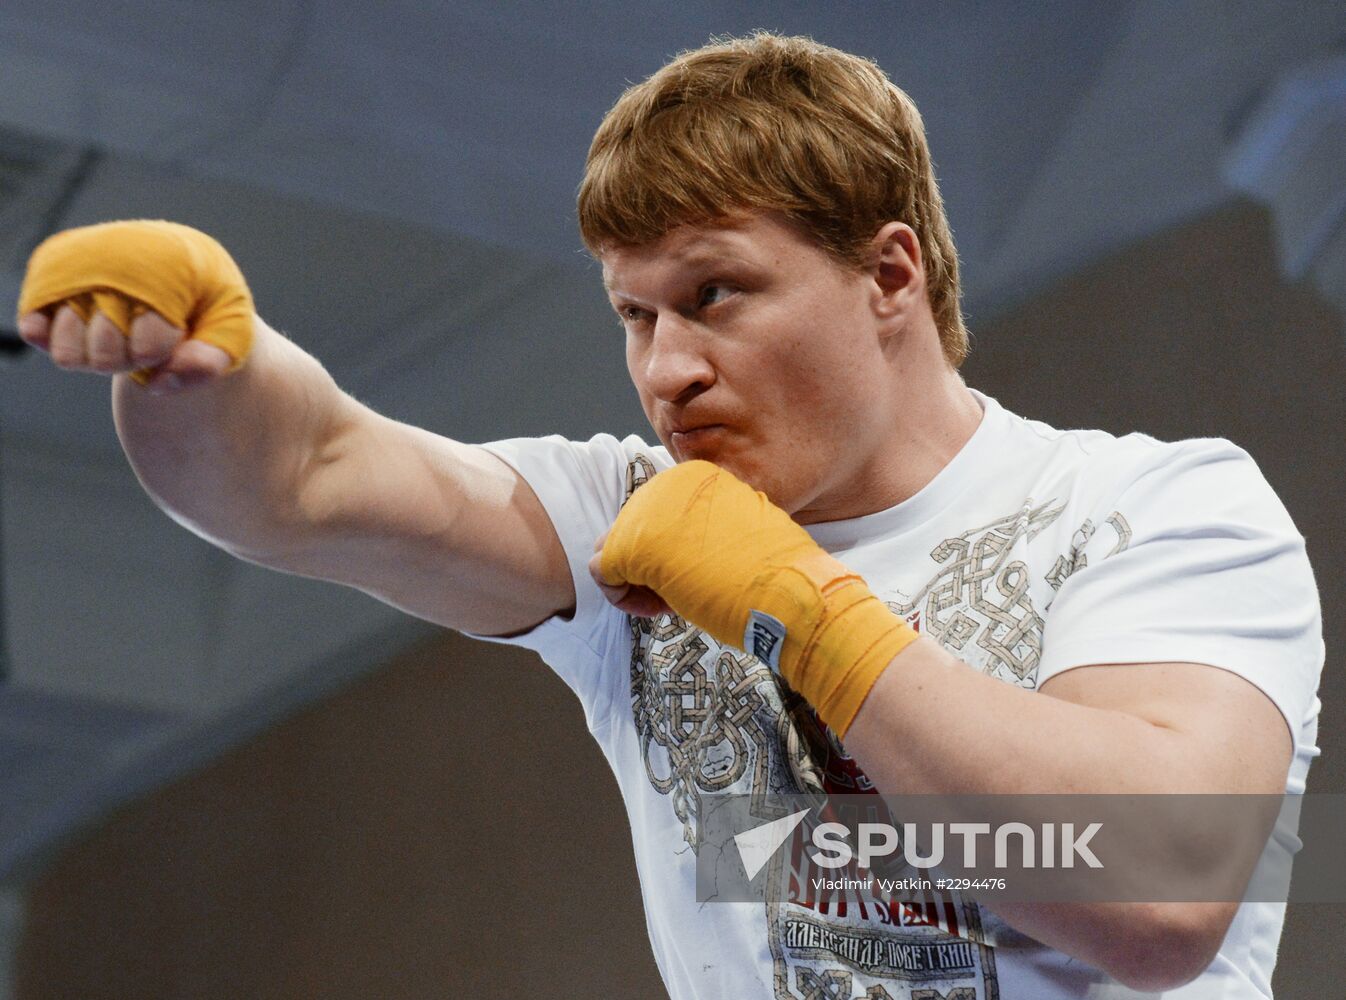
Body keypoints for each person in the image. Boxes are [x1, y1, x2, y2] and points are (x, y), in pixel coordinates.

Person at [16, 31, 1322, 1000]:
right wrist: (197, 367)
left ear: (887, 272)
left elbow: (1157, 890)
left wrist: (801, 611)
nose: (663, 369)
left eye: (714, 295)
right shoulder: (630, 516)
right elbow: (312, 482)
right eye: (634, 315)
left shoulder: (1148, 504)